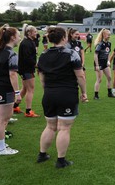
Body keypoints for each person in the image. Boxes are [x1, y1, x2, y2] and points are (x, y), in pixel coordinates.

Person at [37, 26, 87, 168]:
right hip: (66, 94)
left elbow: (42, 78)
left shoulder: (43, 55)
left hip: (49, 94)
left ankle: (42, 154)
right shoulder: (71, 54)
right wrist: (84, 93)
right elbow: (80, 76)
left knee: (50, 126)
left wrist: (48, 90)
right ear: (64, 38)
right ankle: (60, 160)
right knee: (64, 128)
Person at [0, 25, 21, 155]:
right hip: (3, 88)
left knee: (3, 118)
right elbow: (12, 74)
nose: (20, 38)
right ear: (13, 37)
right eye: (19, 35)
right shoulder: (11, 53)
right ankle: (1, 149)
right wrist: (17, 93)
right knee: (2, 120)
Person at [16, 24, 40, 117]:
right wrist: (36, 65)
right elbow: (27, 58)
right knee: (31, 89)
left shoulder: (29, 42)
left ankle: (15, 106)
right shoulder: (27, 43)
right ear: (29, 33)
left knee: (25, 88)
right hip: (26, 69)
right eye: (34, 32)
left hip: (25, 69)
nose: (36, 33)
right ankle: (28, 111)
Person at [66, 28, 88, 103]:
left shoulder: (79, 43)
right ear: (71, 34)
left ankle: (83, 96)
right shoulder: (67, 44)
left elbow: (82, 53)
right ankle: (72, 97)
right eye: (76, 34)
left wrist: (83, 62)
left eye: (78, 34)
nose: (77, 36)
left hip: (80, 64)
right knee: (73, 81)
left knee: (83, 79)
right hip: (72, 65)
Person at [93, 29, 115, 99]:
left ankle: (109, 93)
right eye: (108, 35)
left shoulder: (109, 43)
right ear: (104, 35)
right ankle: (96, 95)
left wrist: (108, 61)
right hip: (99, 63)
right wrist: (96, 65)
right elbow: (95, 55)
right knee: (99, 79)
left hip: (105, 63)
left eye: (110, 35)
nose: (109, 36)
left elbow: (108, 53)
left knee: (109, 78)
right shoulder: (100, 44)